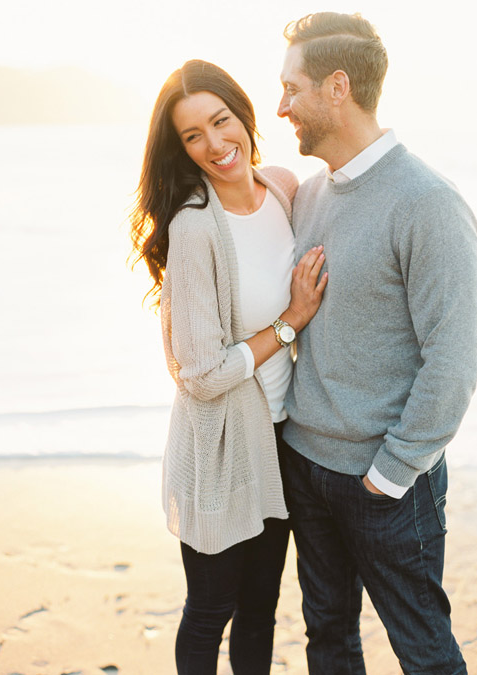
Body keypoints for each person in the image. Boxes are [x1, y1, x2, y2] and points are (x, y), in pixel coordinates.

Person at [276, 12, 477, 675]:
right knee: (327, 641)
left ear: (338, 87)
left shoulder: (427, 203)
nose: (281, 107)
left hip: (385, 484)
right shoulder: (306, 196)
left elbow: (453, 356)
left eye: (291, 88)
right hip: (304, 465)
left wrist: (390, 473)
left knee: (424, 653)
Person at [130, 60, 326, 674]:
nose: (215, 145)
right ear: (181, 149)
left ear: (244, 115)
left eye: (220, 122)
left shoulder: (285, 188)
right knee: (211, 608)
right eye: (193, 136)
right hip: (217, 446)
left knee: (262, 607)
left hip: (279, 440)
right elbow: (203, 374)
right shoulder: (193, 225)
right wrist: (290, 322)